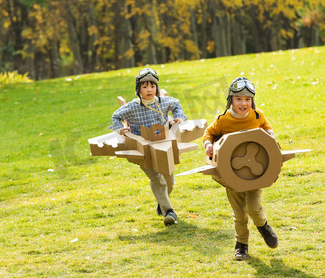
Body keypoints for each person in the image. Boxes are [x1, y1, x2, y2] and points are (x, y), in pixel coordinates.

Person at [202, 76, 278, 260]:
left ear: (252, 101)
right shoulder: (223, 119)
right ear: (231, 100)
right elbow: (208, 133)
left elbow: (267, 127)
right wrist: (208, 145)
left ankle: (263, 226)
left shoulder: (257, 114)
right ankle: (241, 246)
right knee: (240, 214)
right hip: (231, 175)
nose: (243, 103)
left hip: (255, 173)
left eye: (247, 99)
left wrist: (270, 135)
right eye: (238, 99)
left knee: (253, 208)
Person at [109, 68, 188, 226]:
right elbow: (116, 116)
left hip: (163, 146)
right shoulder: (133, 107)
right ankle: (169, 212)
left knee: (169, 181)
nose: (149, 90)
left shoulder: (164, 102)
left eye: (152, 86)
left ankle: (162, 201)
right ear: (139, 90)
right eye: (144, 87)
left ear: (157, 88)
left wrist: (177, 117)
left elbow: (177, 105)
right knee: (158, 180)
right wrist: (121, 129)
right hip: (143, 149)